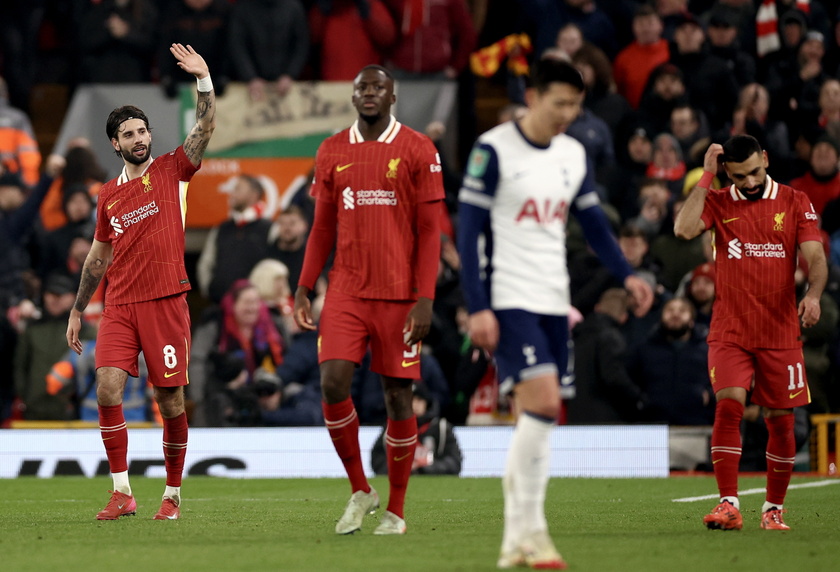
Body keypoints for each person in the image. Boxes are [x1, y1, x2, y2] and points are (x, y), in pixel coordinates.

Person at [456, 58, 653, 569]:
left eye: (576, 105)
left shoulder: (573, 153)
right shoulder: (494, 149)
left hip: (553, 298)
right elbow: (468, 232)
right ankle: (531, 532)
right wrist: (476, 306)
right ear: (534, 96)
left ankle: (517, 542)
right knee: (543, 405)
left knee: (539, 419)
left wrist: (627, 273)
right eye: (560, 103)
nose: (568, 114)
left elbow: (593, 224)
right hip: (508, 297)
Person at [65, 43, 216, 521]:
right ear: (115, 143)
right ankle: (122, 491)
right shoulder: (108, 195)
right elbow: (98, 256)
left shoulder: (174, 170)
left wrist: (204, 80)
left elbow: (204, 128)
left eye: (142, 130)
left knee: (168, 399)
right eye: (128, 134)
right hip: (120, 305)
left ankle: (171, 494)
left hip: (167, 300)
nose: (138, 138)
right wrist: (77, 307)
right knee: (106, 389)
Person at [293, 65, 444, 536]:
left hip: (400, 296)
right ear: (354, 96)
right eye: (362, 87)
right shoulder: (332, 149)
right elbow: (320, 227)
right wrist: (304, 283)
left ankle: (396, 509)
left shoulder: (419, 148)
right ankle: (362, 488)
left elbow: (430, 231)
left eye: (379, 86)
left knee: (398, 396)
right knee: (333, 383)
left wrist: (425, 298)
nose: (370, 93)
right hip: (346, 290)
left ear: (393, 95)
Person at [674, 134, 827, 531]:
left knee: (780, 420)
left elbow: (815, 256)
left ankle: (773, 509)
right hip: (731, 329)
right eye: (740, 176)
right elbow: (683, 229)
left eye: (756, 171)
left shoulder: (795, 201)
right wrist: (707, 178)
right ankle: (728, 504)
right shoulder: (719, 201)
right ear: (728, 172)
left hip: (779, 331)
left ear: (766, 159)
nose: (751, 181)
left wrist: (813, 295)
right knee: (729, 405)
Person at [371, 382, 462, 476]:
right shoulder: (391, 428)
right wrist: (401, 469)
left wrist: (425, 468)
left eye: (419, 400)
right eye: (410, 400)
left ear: (426, 403)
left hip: (432, 484)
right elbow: (377, 462)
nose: (414, 405)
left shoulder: (441, 428)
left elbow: (454, 463)